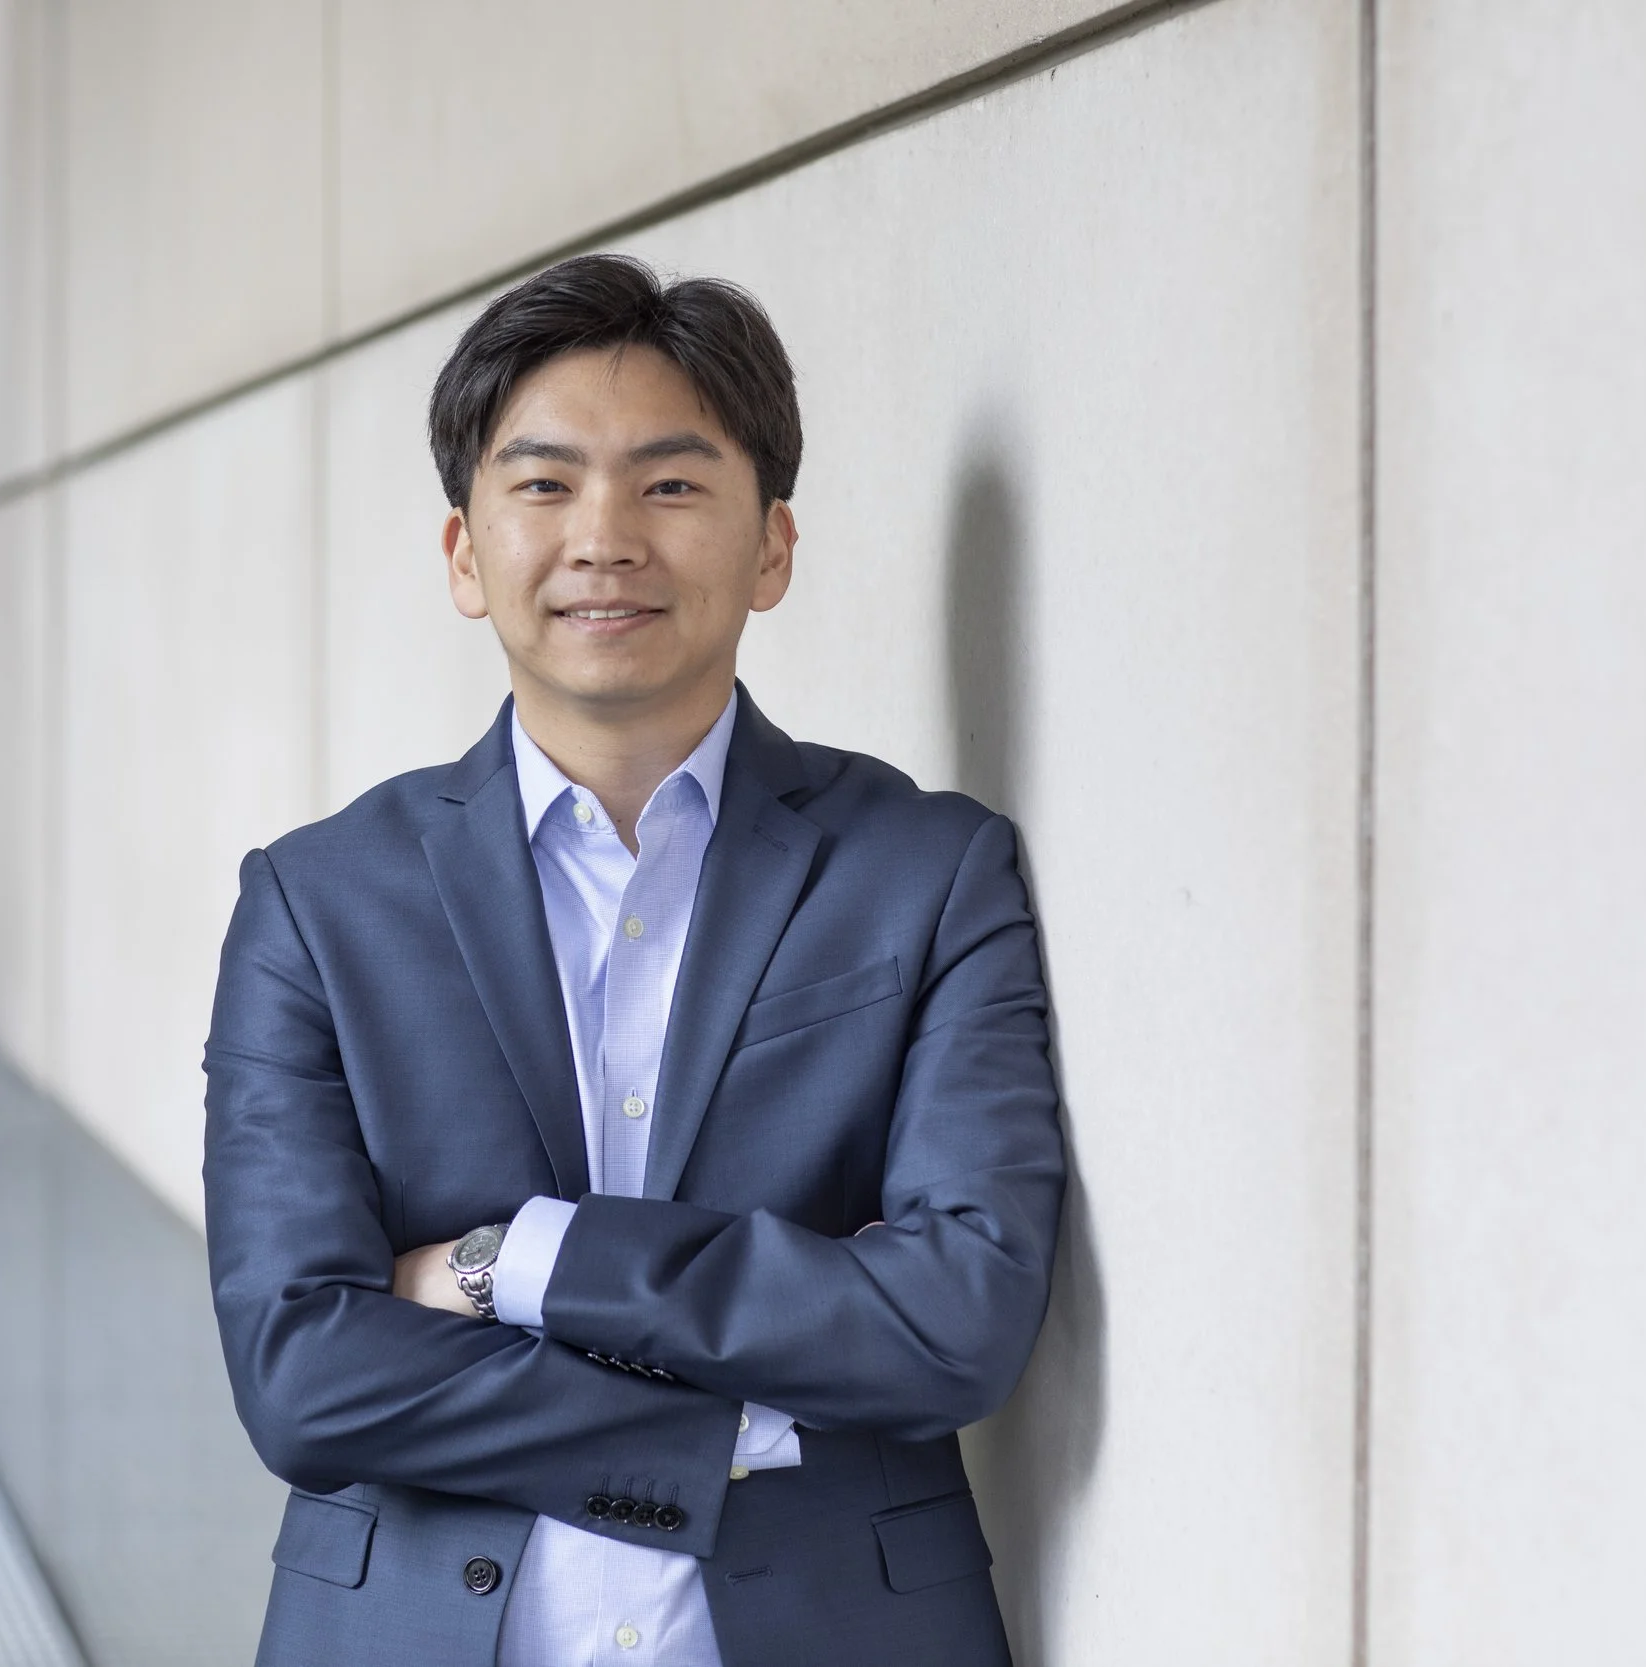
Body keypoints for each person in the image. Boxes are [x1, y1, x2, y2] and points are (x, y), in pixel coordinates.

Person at [204, 252, 1064, 1666]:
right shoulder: (318, 901)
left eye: (670, 483)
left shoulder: (927, 871)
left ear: (773, 544)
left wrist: (516, 1258)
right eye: (543, 484)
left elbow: (955, 1322)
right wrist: (727, 1422)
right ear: (465, 554)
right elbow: (301, 1375)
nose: (605, 536)